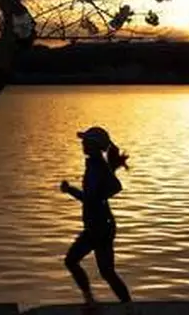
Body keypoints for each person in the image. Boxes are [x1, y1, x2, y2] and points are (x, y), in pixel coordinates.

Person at [60, 126, 132, 307]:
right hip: (102, 225)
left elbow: (92, 197)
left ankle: (90, 301)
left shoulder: (97, 166)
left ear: (93, 145)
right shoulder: (96, 164)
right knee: (107, 272)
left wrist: (70, 190)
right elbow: (106, 190)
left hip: (98, 227)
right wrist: (98, 195)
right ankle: (128, 306)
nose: (82, 143)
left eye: (85, 141)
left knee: (71, 261)